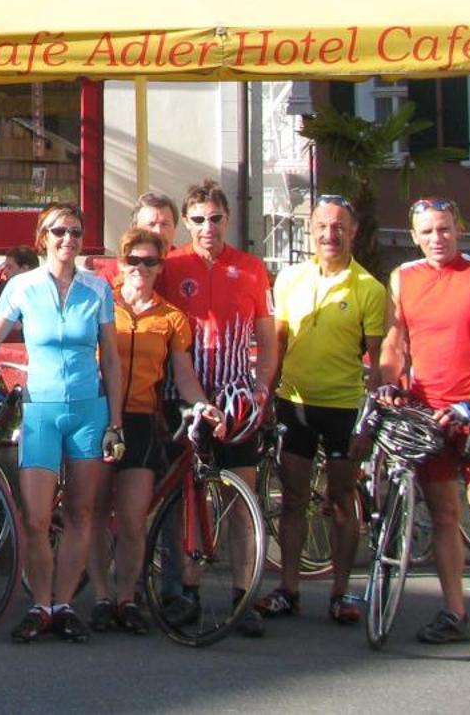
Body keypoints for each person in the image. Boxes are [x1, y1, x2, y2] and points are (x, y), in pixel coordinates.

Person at [0, 202, 120, 644]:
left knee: (80, 514)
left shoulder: (97, 288)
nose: (69, 240)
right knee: (36, 518)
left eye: (77, 232)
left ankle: (62, 605)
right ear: (43, 236)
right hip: (41, 409)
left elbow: (113, 360)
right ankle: (39, 605)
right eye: (60, 231)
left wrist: (115, 419)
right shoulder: (22, 286)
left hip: (88, 409)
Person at [379, 196, 470, 657]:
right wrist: (390, 383)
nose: (437, 239)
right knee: (444, 517)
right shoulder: (403, 278)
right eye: (428, 232)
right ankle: (454, 611)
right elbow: (395, 342)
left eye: (444, 229)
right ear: (414, 236)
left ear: (457, 229)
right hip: (427, 414)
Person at [256, 194, 386, 626]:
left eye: (338, 227)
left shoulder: (368, 288)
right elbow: (277, 344)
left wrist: (369, 420)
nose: (329, 235)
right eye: (321, 227)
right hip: (295, 403)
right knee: (293, 500)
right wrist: (265, 398)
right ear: (310, 231)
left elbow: (378, 363)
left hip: (343, 408)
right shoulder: (290, 278)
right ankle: (288, 589)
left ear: (353, 232)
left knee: (340, 500)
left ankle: (341, 591)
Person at [159, 180, 276, 637]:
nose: (209, 227)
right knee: (184, 497)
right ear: (186, 222)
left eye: (217, 218)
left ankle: (243, 593)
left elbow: (267, 338)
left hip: (235, 398)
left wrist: (262, 389)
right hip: (181, 398)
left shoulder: (250, 269)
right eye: (200, 219)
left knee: (240, 500)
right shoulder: (170, 265)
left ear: (229, 220)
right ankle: (185, 589)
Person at [90, 223, 215, 634]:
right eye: (133, 261)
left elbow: (183, 374)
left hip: (141, 421)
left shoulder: (172, 318)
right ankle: (102, 596)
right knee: (92, 514)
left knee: (131, 519)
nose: (141, 268)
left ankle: (127, 597)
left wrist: (201, 405)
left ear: (161, 266)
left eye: (150, 261)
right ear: (120, 264)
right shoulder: (100, 303)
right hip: (97, 416)